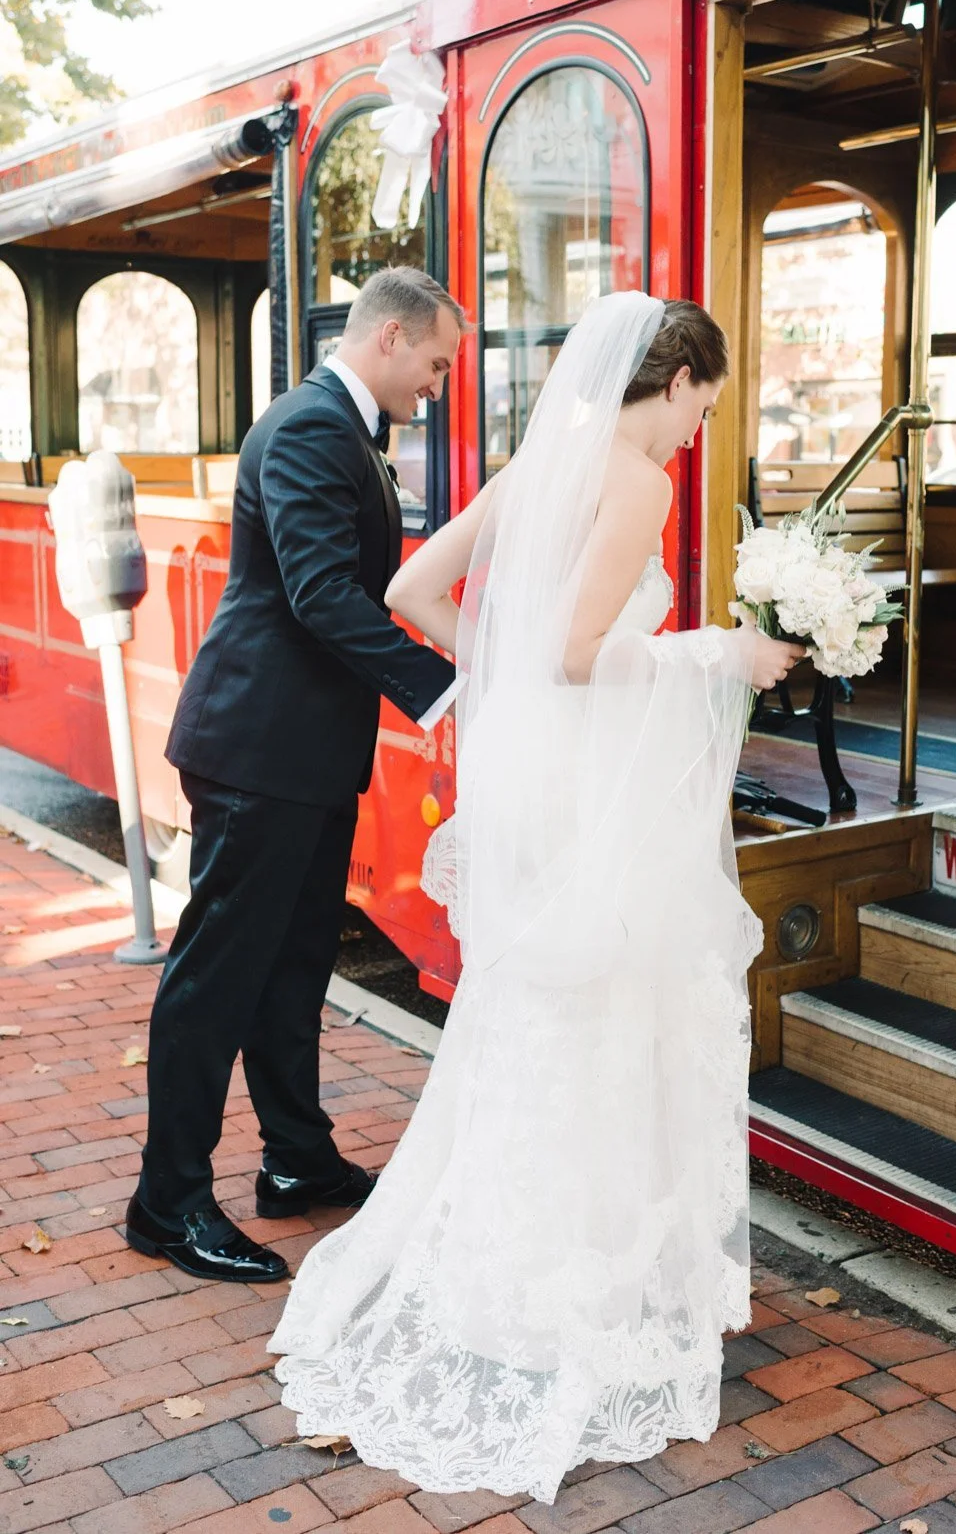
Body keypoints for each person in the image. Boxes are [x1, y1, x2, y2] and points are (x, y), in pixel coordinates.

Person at [270, 292, 801, 1501]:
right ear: (672, 385)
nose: (691, 434)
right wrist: (722, 651)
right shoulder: (636, 482)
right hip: (601, 796)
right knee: (605, 1016)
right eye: (700, 408)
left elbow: (413, 591)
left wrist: (499, 689)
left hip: (540, 788)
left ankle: (517, 1276)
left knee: (535, 1019)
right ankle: (589, 1294)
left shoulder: (537, 465)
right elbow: (578, 654)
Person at [125, 267, 465, 1285]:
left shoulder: (342, 427)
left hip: (302, 756)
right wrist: (445, 691)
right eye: (438, 364)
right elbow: (320, 595)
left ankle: (295, 1163)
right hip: (257, 752)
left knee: (293, 966)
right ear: (393, 336)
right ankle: (167, 1201)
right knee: (215, 981)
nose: (440, 386)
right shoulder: (315, 427)